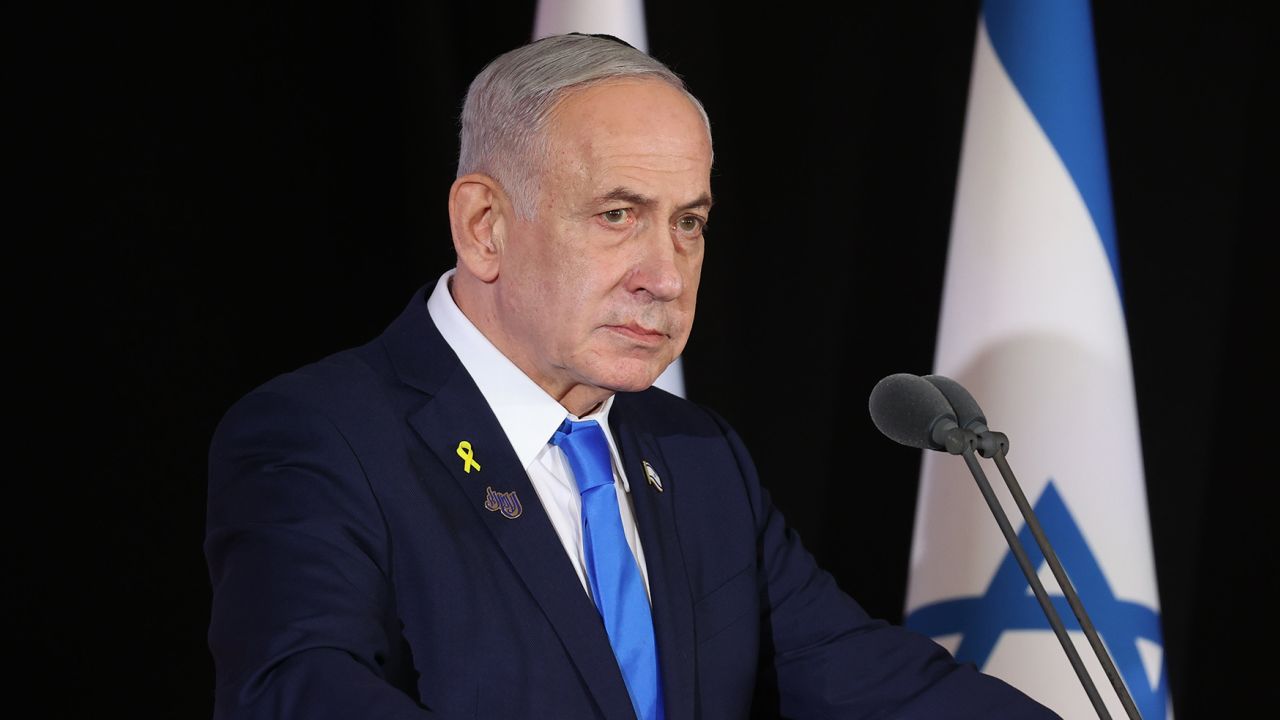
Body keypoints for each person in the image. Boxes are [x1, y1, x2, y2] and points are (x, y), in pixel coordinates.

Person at [204, 33, 1058, 719]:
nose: (667, 273)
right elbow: (297, 693)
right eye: (618, 215)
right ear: (485, 226)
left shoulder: (695, 454)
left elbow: (858, 674)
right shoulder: (324, 437)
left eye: (689, 223)